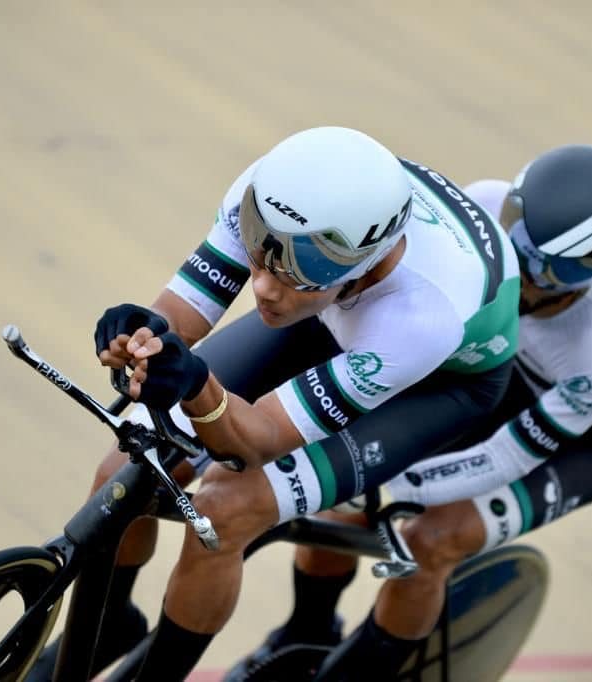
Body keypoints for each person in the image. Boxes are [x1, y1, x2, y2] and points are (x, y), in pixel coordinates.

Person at [66, 126, 523, 682]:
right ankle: (106, 625)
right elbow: (178, 321)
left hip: (440, 384)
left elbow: (257, 441)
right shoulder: (271, 196)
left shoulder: (422, 315)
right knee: (126, 465)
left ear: (368, 262)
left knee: (226, 509)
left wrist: (195, 385)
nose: (263, 287)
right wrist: (140, 336)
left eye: (299, 270)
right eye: (258, 255)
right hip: (331, 315)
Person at [225, 144, 592, 681]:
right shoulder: (484, 202)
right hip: (493, 377)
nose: (523, 273)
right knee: (341, 501)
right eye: (517, 240)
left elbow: (512, 453)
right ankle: (305, 633)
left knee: (433, 541)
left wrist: (398, 492)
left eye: (550, 271)